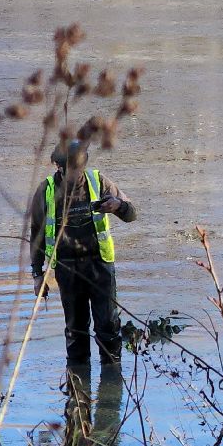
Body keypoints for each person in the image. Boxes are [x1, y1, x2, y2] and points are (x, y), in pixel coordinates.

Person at [27, 138, 137, 364]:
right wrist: (37, 275)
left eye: (80, 168)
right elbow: (36, 234)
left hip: (100, 266)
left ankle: (111, 383)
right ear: (59, 167)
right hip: (68, 271)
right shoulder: (46, 191)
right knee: (76, 332)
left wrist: (118, 205)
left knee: (107, 328)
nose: (76, 175)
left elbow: (132, 214)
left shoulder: (98, 182)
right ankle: (78, 386)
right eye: (71, 169)